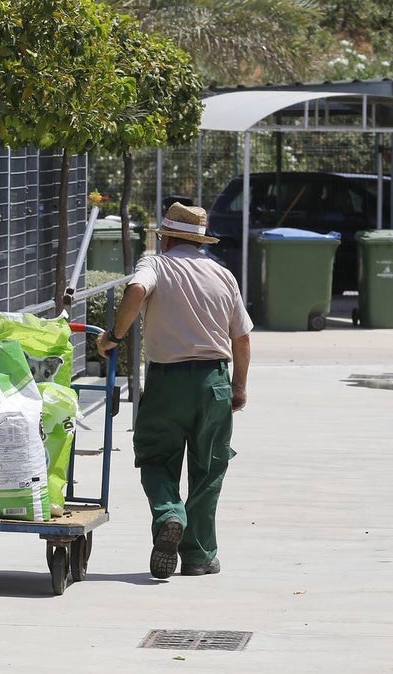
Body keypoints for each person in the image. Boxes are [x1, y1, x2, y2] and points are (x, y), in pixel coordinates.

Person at [97, 202, 252, 579]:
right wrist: (239, 387)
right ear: (199, 241)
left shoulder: (155, 264)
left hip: (167, 381)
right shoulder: (222, 274)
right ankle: (199, 557)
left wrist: (115, 336)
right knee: (209, 468)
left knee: (155, 459)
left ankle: (169, 514)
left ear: (165, 237)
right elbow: (242, 338)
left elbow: (136, 291)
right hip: (213, 382)